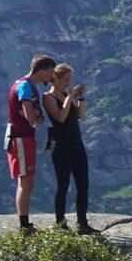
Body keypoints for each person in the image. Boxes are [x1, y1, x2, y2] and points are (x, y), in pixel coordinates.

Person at [43, 63, 94, 233]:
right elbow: (60, 118)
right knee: (63, 184)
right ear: (56, 78)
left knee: (83, 184)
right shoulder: (48, 97)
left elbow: (79, 115)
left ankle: (82, 223)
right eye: (65, 80)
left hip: (76, 143)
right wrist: (69, 97)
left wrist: (79, 98)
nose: (68, 83)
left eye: (69, 81)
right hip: (61, 145)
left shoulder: (66, 95)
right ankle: (60, 223)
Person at [6, 54, 55, 232]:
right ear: (43, 71)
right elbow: (31, 117)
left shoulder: (30, 87)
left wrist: (35, 115)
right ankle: (24, 225)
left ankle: (25, 223)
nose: (51, 78)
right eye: (50, 73)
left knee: (28, 181)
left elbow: (38, 119)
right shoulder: (25, 86)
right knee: (25, 182)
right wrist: (33, 115)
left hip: (25, 137)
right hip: (20, 137)